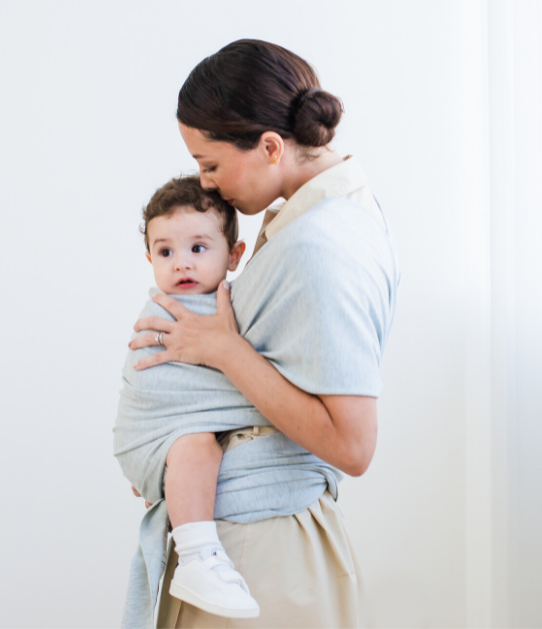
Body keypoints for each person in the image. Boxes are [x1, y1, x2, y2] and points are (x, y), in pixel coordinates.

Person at [127, 39, 400, 628]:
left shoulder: (320, 244)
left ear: (271, 147)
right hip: (253, 542)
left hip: (261, 554)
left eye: (210, 164)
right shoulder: (318, 217)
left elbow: (353, 445)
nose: (206, 184)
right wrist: (169, 451)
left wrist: (223, 349)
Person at [129, 174, 259, 617]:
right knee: (197, 444)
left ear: (234, 255)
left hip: (177, 441)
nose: (181, 264)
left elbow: (248, 372)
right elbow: (151, 386)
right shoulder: (162, 313)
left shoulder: (242, 305)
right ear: (150, 258)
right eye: (166, 252)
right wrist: (151, 445)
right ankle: (197, 558)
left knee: (199, 444)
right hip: (158, 430)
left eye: (198, 248)